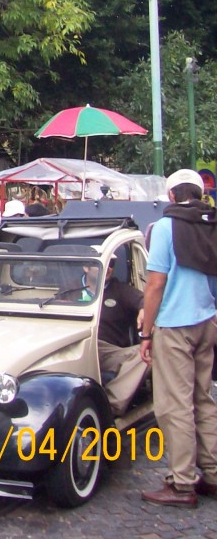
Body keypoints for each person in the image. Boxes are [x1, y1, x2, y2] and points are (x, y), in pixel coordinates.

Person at [139, 168, 217, 507]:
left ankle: (182, 483)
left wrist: (146, 332)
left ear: (170, 196)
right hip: (206, 320)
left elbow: (155, 284)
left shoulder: (166, 227)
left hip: (174, 326)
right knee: (204, 399)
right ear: (200, 194)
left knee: (175, 406)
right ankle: (213, 475)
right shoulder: (211, 223)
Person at [80, 257, 148, 417]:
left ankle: (109, 405)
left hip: (111, 352)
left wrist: (144, 309)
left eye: (112, 264)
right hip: (79, 345)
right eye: (104, 263)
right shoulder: (71, 290)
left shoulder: (120, 290)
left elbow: (145, 299)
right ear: (86, 267)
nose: (109, 267)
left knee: (151, 351)